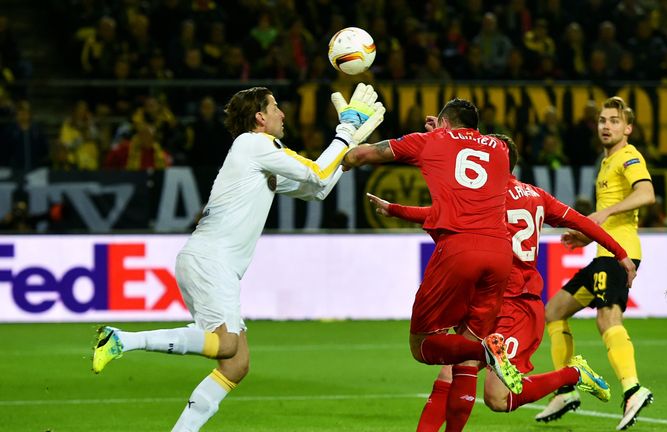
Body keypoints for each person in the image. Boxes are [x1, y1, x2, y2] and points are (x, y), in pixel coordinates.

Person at [91, 84, 385, 432]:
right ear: (260, 117)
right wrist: (345, 131)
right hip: (210, 259)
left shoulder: (259, 157)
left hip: (215, 263)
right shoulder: (254, 144)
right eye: (275, 107)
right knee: (227, 344)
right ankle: (122, 339)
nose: (282, 114)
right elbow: (318, 172)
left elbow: (317, 187)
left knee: (236, 364)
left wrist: (348, 150)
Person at [368, 132, 637, 432]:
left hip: (515, 306)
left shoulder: (486, 199)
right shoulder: (537, 195)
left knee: (497, 397)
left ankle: (573, 375)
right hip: (487, 299)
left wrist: (395, 209)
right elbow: (580, 220)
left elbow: (437, 213)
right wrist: (620, 252)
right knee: (450, 372)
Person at [342, 99, 524, 432]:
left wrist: (344, 144)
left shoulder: (429, 141)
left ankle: (486, 352)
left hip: (458, 248)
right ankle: (484, 354)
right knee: (463, 363)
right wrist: (441, 132)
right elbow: (465, 155)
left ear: (442, 123)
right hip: (500, 253)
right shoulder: (499, 148)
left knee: (423, 345)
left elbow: (359, 156)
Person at [536, 96, 656, 431]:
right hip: (604, 252)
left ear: (628, 128)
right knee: (554, 311)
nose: (607, 125)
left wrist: (602, 214)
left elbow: (646, 193)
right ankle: (564, 389)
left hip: (621, 253)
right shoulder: (605, 163)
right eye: (603, 120)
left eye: (614, 121)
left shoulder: (628, 156)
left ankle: (632, 388)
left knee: (607, 318)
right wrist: (588, 235)